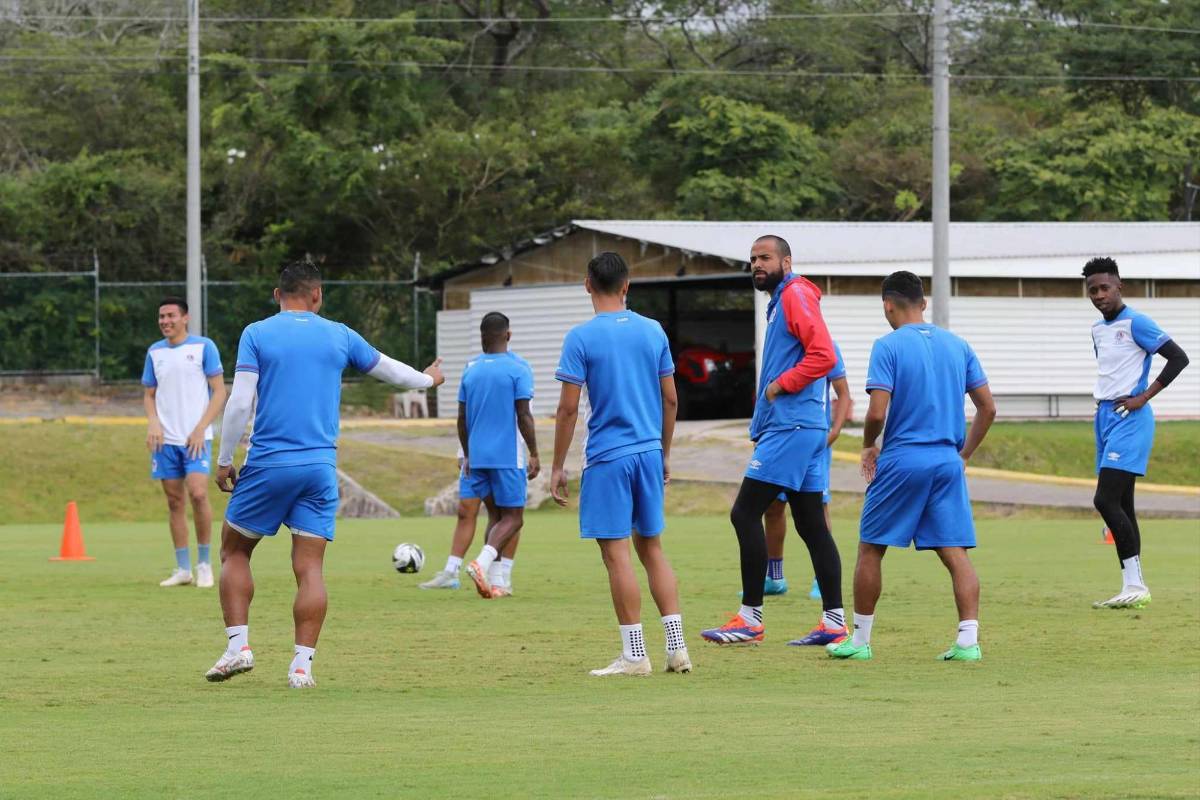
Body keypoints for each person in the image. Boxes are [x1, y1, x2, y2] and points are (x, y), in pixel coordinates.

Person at [204, 259, 444, 688]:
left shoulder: (257, 333)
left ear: (278, 296)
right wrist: (428, 380)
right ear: (317, 295)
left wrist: (224, 459)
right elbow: (390, 370)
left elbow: (240, 402)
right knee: (309, 567)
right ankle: (302, 667)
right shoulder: (339, 334)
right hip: (319, 467)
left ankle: (239, 647)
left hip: (269, 463)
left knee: (235, 551)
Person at [828, 270, 996, 662]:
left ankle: (860, 640)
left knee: (871, 547)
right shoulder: (957, 345)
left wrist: (870, 445)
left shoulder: (887, 346)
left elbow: (876, 411)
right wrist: (964, 454)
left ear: (887, 305)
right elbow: (988, 407)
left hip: (904, 459)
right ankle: (968, 642)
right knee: (955, 553)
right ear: (923, 303)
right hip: (946, 461)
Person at [550, 251, 691, 677]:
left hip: (609, 458)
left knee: (617, 556)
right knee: (652, 548)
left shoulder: (581, 337)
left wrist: (558, 466)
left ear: (587, 284)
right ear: (627, 286)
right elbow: (671, 398)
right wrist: (663, 452)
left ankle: (634, 654)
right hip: (649, 452)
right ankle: (677, 648)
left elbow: (568, 410)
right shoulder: (653, 331)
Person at [700, 234, 845, 647]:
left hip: (793, 427)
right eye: (752, 260)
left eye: (765, 257)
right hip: (802, 428)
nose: (756, 265)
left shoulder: (796, 293)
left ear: (787, 260)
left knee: (744, 513)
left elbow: (824, 356)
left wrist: (780, 385)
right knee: (812, 524)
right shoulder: (782, 299)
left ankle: (750, 619)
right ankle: (834, 623)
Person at [1083, 257, 1189, 610]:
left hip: (1131, 417)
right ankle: (1133, 585)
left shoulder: (1136, 322)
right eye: (1092, 290)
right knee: (1123, 503)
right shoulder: (1098, 330)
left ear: (1119, 286)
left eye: (1104, 288)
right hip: (1105, 417)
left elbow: (1178, 358)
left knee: (1105, 500)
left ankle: (1136, 585)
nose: (1099, 295)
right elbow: (1113, 372)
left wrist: (1144, 396)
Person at [447, 312, 539, 599]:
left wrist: (468, 453)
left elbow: (461, 418)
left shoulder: (470, 369)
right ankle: (481, 563)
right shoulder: (519, 367)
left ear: (482, 336)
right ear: (508, 335)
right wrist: (535, 452)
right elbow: (524, 415)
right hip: (507, 457)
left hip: (476, 458)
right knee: (514, 518)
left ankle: (498, 582)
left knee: (496, 516)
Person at [141, 296, 227, 589]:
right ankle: (183, 569)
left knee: (199, 494)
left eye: (170, 316)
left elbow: (218, 392)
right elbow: (149, 395)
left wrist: (201, 428)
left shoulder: (204, 347)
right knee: (174, 501)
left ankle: (204, 564)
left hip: (196, 439)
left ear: (185, 318)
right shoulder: (155, 353)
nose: (165, 321)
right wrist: (153, 423)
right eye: (161, 316)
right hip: (166, 440)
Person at [757, 343, 852, 603]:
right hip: (778, 438)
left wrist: (834, 431)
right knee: (773, 506)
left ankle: (820, 580)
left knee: (818, 509)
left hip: (812, 442)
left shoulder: (827, 347)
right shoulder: (779, 347)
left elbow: (843, 393)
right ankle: (774, 578)